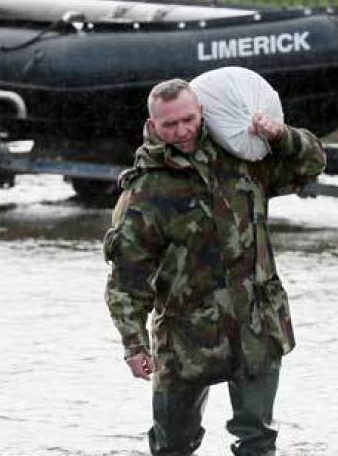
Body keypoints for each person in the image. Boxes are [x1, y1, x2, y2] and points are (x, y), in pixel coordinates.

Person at [102, 78, 326, 456]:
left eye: (188, 119)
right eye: (170, 125)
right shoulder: (146, 190)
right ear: (153, 125)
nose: (182, 131)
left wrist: (280, 135)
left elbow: (312, 163)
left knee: (257, 439)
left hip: (256, 322)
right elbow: (127, 278)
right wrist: (133, 343)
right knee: (174, 444)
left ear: (201, 112)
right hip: (187, 334)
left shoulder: (241, 157)